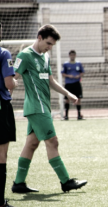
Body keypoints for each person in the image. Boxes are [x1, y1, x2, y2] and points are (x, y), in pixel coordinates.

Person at [12, 25, 87, 193]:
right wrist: (7, 92)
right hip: (36, 107)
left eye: (52, 44)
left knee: (31, 144)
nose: (49, 47)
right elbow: (13, 78)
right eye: (48, 43)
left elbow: (50, 81)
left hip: (42, 106)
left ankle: (18, 183)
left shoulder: (45, 57)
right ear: (39, 37)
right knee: (53, 141)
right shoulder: (25, 55)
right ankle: (65, 181)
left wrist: (68, 93)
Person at [0, 47, 18, 207]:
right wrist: (15, 82)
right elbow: (9, 83)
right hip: (1, 106)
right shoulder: (4, 53)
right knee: (1, 154)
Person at [61, 50, 85, 120]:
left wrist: (79, 75)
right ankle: (66, 116)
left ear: (75, 55)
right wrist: (69, 76)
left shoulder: (78, 63)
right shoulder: (66, 64)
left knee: (79, 99)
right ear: (69, 56)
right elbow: (62, 73)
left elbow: (82, 72)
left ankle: (79, 115)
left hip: (77, 83)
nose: (72, 56)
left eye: (73, 55)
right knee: (67, 99)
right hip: (68, 84)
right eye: (71, 55)